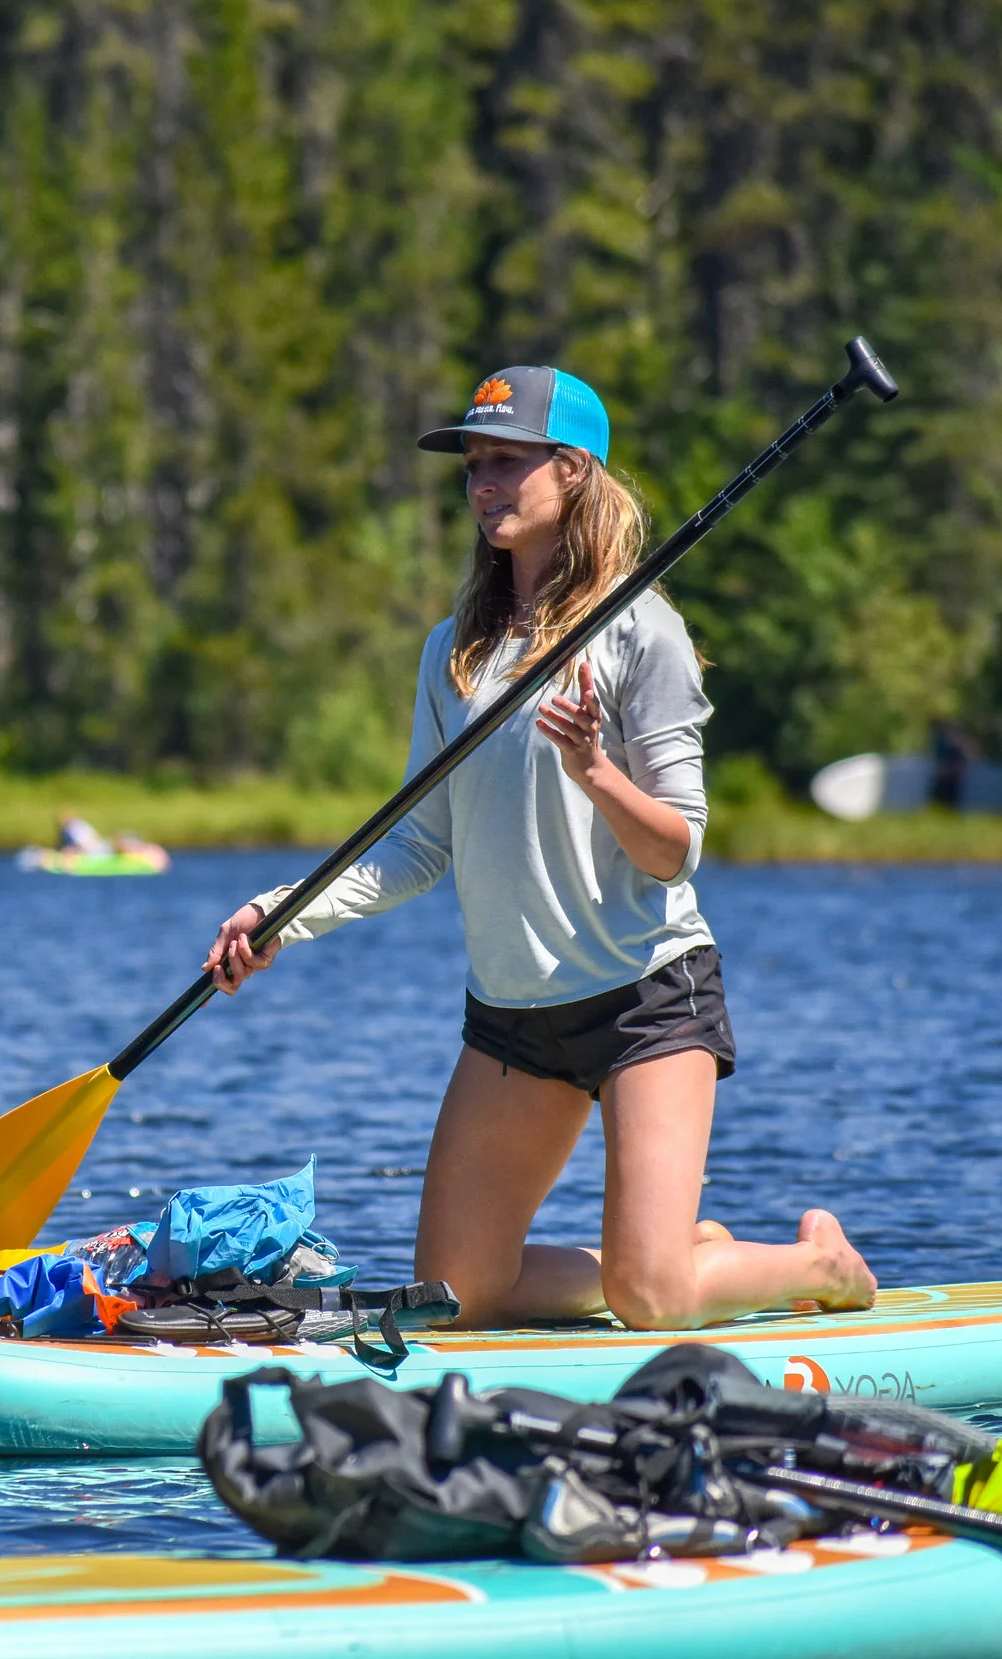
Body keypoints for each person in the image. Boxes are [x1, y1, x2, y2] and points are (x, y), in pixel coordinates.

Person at [201, 367, 876, 1332]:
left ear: (574, 473)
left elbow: (675, 852)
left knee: (651, 1303)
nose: (483, 484)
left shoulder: (646, 634)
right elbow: (418, 846)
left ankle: (815, 1262)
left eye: (508, 462)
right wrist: (282, 914)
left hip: (648, 999)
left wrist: (596, 769)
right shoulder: (454, 652)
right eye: (474, 464)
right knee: (455, 1298)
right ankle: (685, 1252)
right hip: (515, 1018)